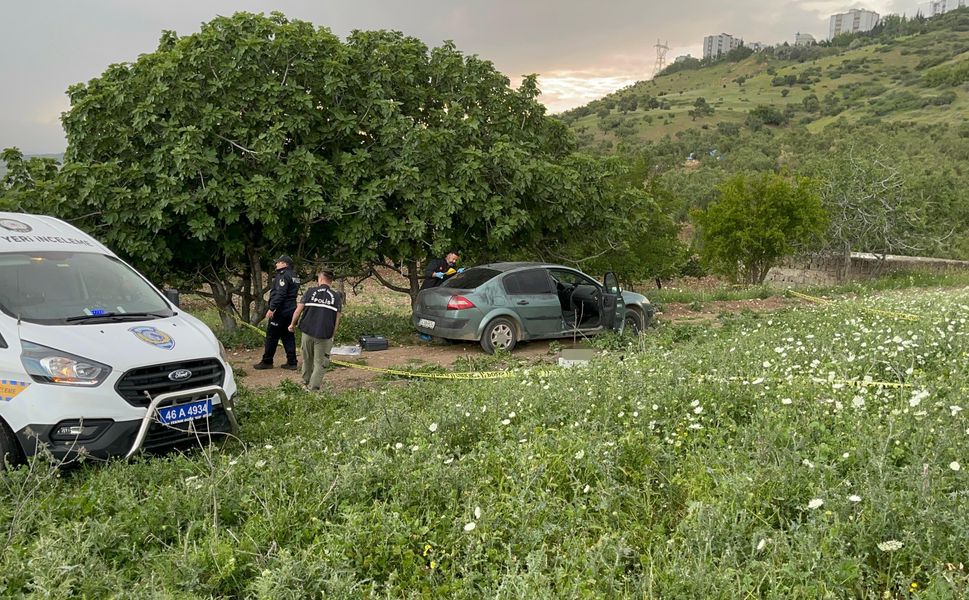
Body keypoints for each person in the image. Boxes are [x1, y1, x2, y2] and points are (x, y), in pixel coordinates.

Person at [288, 269, 342, 390]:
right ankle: (313, 387)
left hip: (307, 331)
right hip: (324, 335)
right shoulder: (336, 297)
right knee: (320, 362)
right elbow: (337, 319)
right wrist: (332, 335)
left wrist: (292, 324)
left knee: (307, 358)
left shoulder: (310, 292)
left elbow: (298, 310)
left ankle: (305, 382)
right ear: (331, 281)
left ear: (321, 279)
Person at [253, 255, 300, 370]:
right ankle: (292, 362)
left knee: (272, 337)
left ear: (285, 264)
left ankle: (267, 361)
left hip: (281, 311)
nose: (276, 264)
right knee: (288, 336)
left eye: (278, 262)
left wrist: (272, 308)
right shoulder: (295, 276)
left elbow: (281, 294)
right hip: (291, 311)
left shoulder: (282, 276)